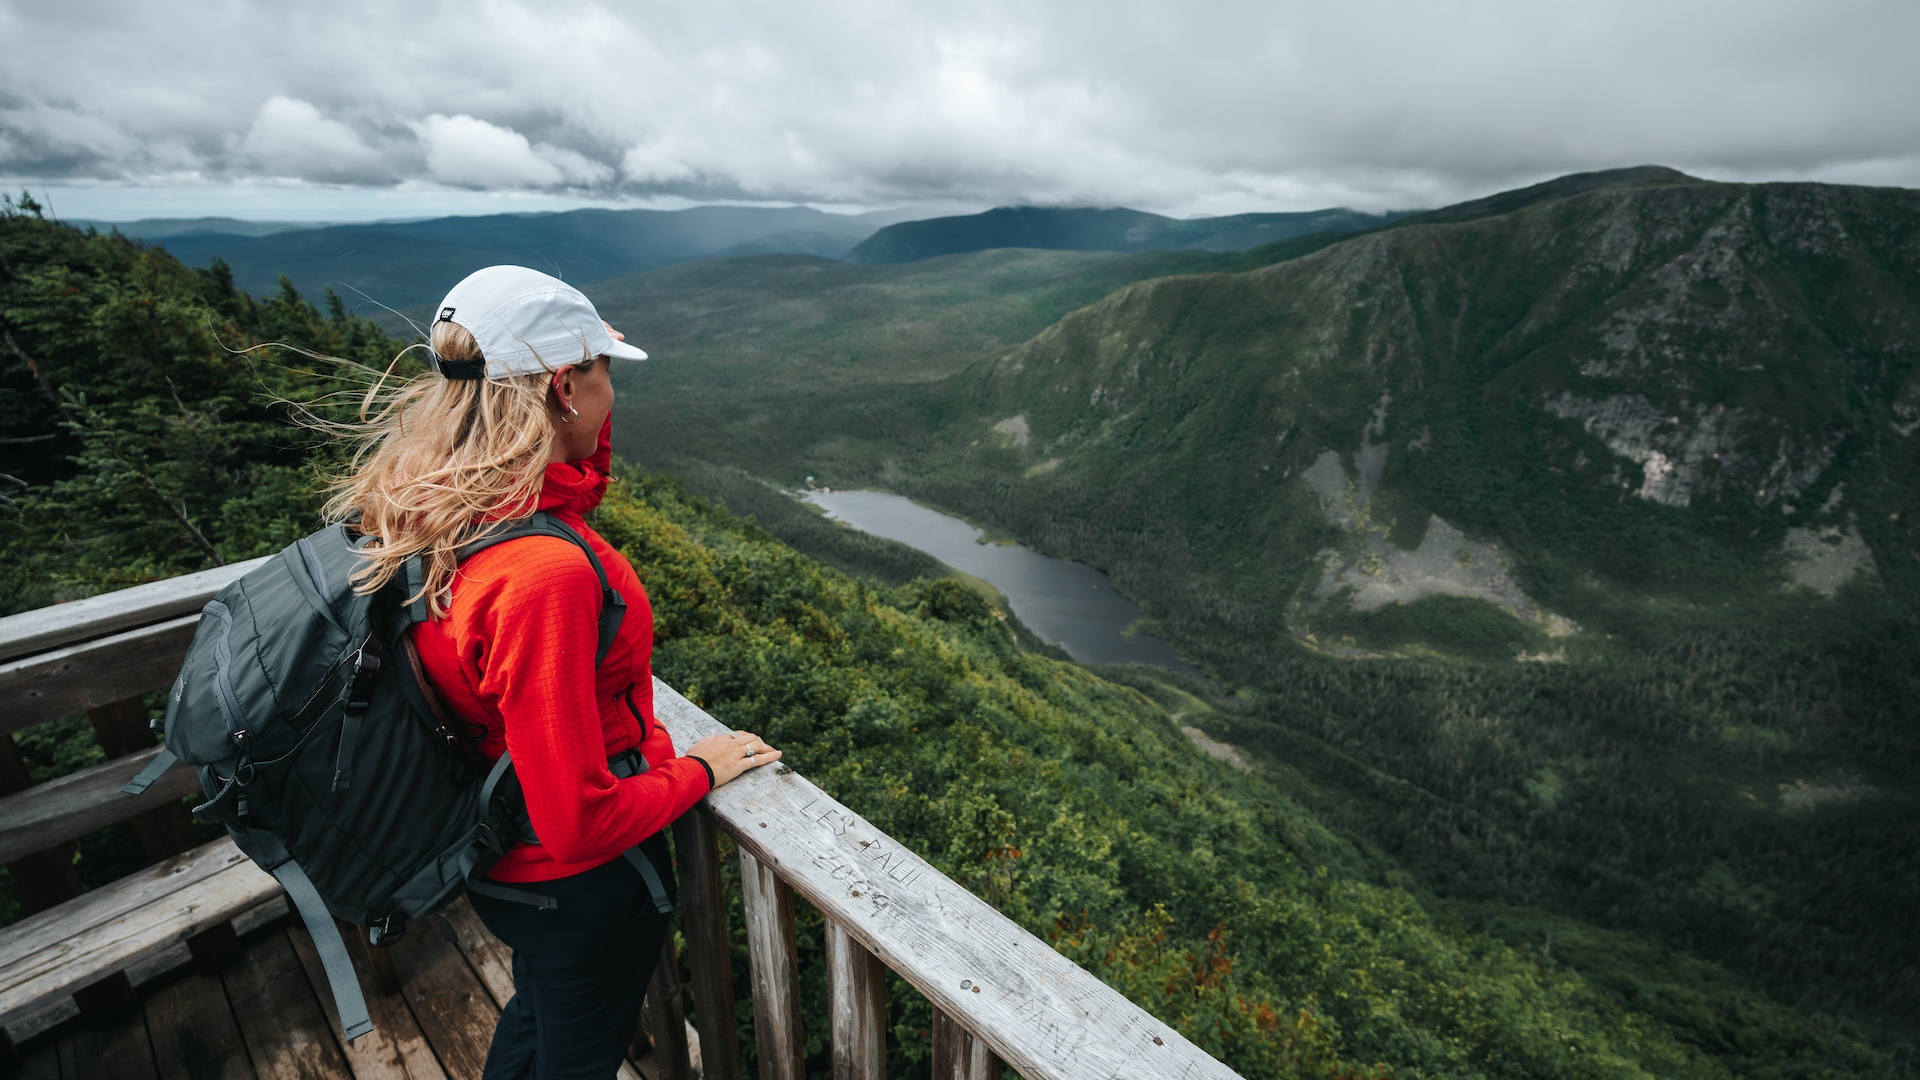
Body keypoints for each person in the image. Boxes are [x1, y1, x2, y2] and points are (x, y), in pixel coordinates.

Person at [327, 264, 780, 1078]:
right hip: (573, 883)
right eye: (604, 371)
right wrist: (697, 772)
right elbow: (578, 820)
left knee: (538, 1015)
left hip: (495, 856)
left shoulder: (425, 506)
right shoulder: (542, 573)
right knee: (576, 1057)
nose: (614, 393)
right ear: (566, 387)